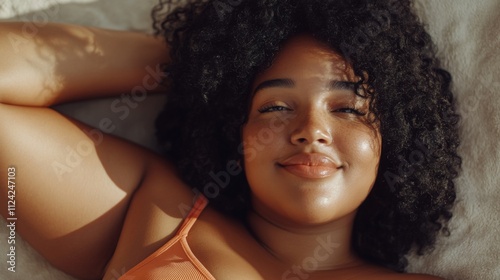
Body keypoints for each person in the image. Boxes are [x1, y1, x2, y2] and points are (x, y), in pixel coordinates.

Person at [0, 0, 461, 279]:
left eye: (347, 109)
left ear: (395, 136)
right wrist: (197, 63)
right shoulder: (158, 214)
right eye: (275, 107)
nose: (311, 131)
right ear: (231, 129)